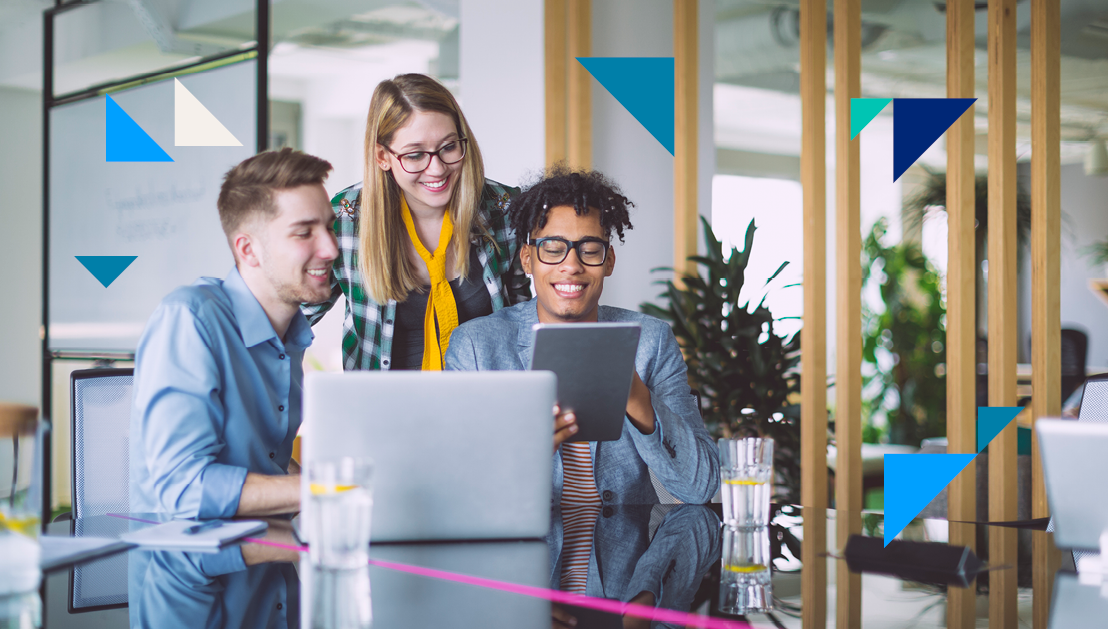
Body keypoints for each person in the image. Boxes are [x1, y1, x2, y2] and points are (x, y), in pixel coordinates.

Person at [444, 167, 720, 506]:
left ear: (609, 261)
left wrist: (635, 394)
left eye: (589, 249)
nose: (571, 265)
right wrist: (522, 453)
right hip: (527, 550)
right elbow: (455, 490)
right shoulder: (475, 347)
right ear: (528, 260)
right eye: (553, 247)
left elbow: (701, 488)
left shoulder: (651, 341)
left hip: (625, 553)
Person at [130, 148, 338, 518]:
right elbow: (182, 488)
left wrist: (335, 497)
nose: (331, 248)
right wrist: (329, 490)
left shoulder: (291, 336)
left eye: (330, 227)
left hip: (268, 561)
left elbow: (263, 462)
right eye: (305, 232)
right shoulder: (191, 319)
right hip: (190, 570)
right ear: (248, 249)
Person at [302, 73, 531, 371]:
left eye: (449, 147)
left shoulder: (502, 208)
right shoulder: (346, 219)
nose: (436, 169)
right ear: (383, 156)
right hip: (384, 410)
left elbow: (523, 320)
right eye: (415, 155)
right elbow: (293, 317)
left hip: (484, 405)